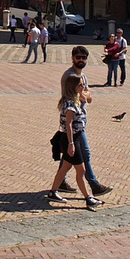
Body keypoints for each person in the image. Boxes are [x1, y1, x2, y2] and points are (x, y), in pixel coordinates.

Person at [58, 46, 112, 195]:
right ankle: (94, 185)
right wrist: (85, 95)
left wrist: (85, 95)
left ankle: (60, 182)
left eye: (83, 57)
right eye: (78, 57)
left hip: (81, 120)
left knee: (70, 155)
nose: (81, 60)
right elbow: (78, 97)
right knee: (85, 153)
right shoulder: (69, 76)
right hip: (74, 122)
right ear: (73, 58)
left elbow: (89, 98)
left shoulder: (83, 76)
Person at [48, 73, 103, 209]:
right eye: (80, 84)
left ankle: (53, 191)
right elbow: (69, 124)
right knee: (81, 170)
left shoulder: (75, 99)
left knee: (65, 167)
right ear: (73, 86)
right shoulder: (70, 102)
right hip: (71, 138)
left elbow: (87, 99)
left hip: (73, 137)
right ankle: (88, 198)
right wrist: (71, 143)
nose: (83, 86)